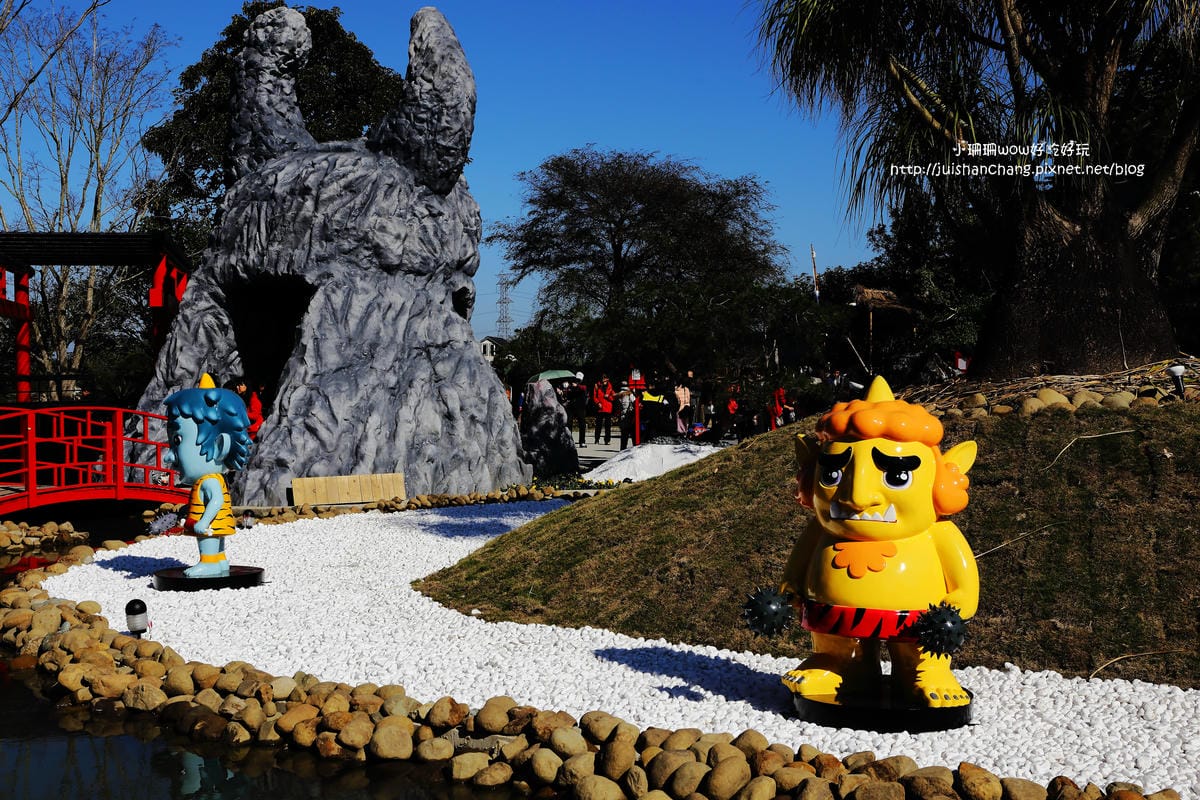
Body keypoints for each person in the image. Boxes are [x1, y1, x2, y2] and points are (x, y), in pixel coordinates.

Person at [164, 374, 253, 578]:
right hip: (217, 521)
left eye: (177, 441)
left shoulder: (209, 480)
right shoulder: (213, 479)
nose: (169, 456)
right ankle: (220, 560)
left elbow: (216, 501)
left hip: (210, 524)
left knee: (208, 537)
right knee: (217, 538)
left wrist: (203, 522)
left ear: (219, 446)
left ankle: (210, 562)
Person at [565, 373, 589, 446]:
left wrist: (576, 386)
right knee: (569, 423)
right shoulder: (571, 385)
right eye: (576, 380)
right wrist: (569, 387)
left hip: (580, 407)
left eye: (578, 380)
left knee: (582, 424)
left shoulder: (583, 386)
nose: (576, 381)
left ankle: (582, 441)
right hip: (571, 406)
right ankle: (569, 440)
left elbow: (583, 388)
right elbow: (568, 394)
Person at [592, 374, 615, 445]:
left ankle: (607, 440)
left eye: (605, 378)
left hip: (608, 408)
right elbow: (594, 396)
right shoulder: (597, 386)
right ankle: (596, 439)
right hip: (600, 408)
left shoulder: (610, 387)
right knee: (598, 425)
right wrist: (598, 403)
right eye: (603, 379)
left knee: (608, 426)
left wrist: (608, 397)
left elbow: (613, 397)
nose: (604, 380)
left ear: (607, 379)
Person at [616, 381, 636, 450]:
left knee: (624, 437)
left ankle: (622, 451)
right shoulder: (629, 395)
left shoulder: (619, 395)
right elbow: (635, 402)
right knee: (633, 437)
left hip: (622, 418)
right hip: (630, 418)